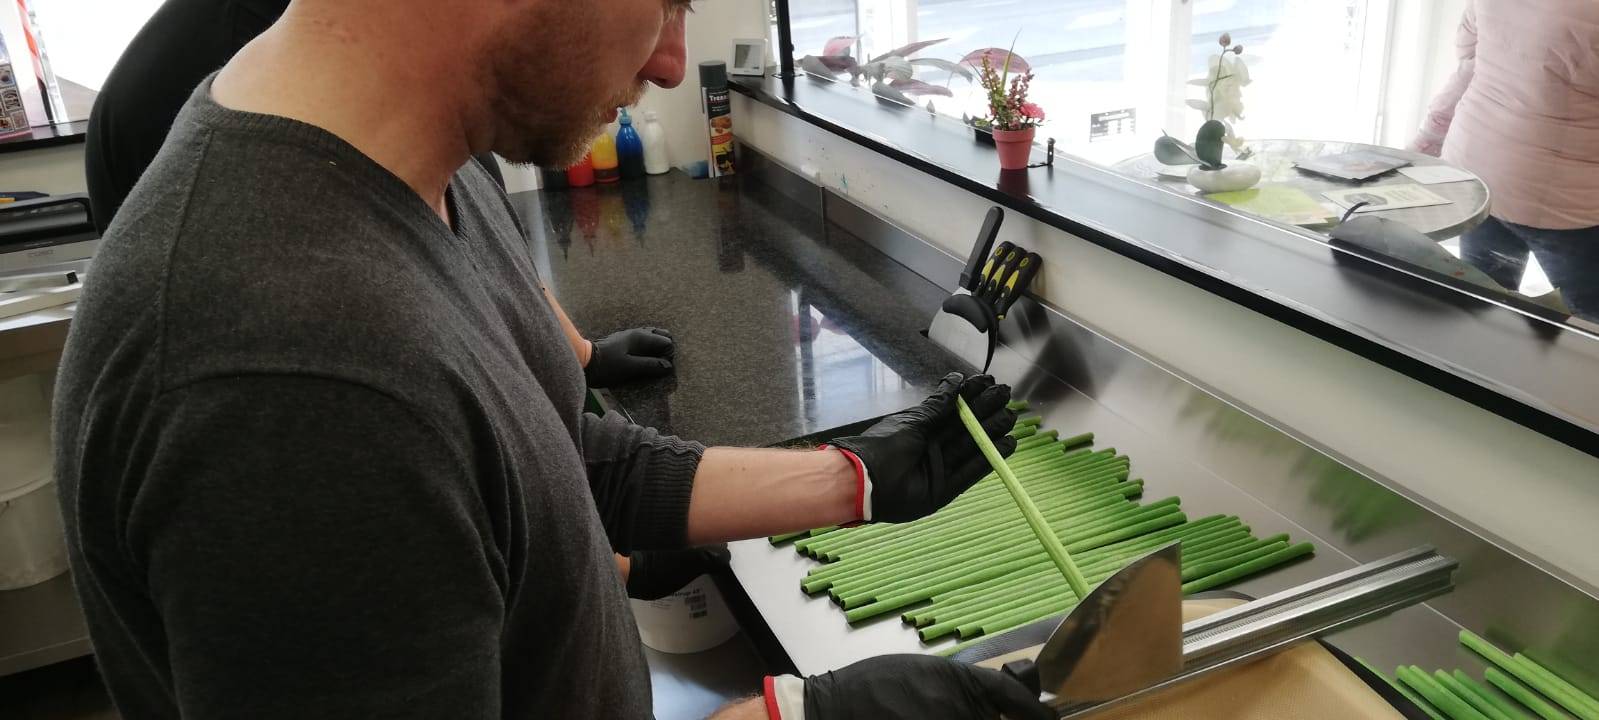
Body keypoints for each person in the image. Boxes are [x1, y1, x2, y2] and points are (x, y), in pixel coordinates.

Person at [51, 1, 1050, 719]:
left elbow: (563, 459)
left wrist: (853, 480)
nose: (671, 63)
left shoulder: (429, 163)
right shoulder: (294, 383)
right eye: (668, 0)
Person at [84, 0, 709, 603]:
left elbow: (491, 282)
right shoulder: (291, 368)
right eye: (667, 0)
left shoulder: (438, 121)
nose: (671, 66)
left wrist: (580, 355)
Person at [1410, 0, 1599, 320]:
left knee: (1481, 304)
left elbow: (1468, 59)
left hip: (1479, 176)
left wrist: (1427, 139)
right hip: (1567, 205)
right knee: (1588, 326)